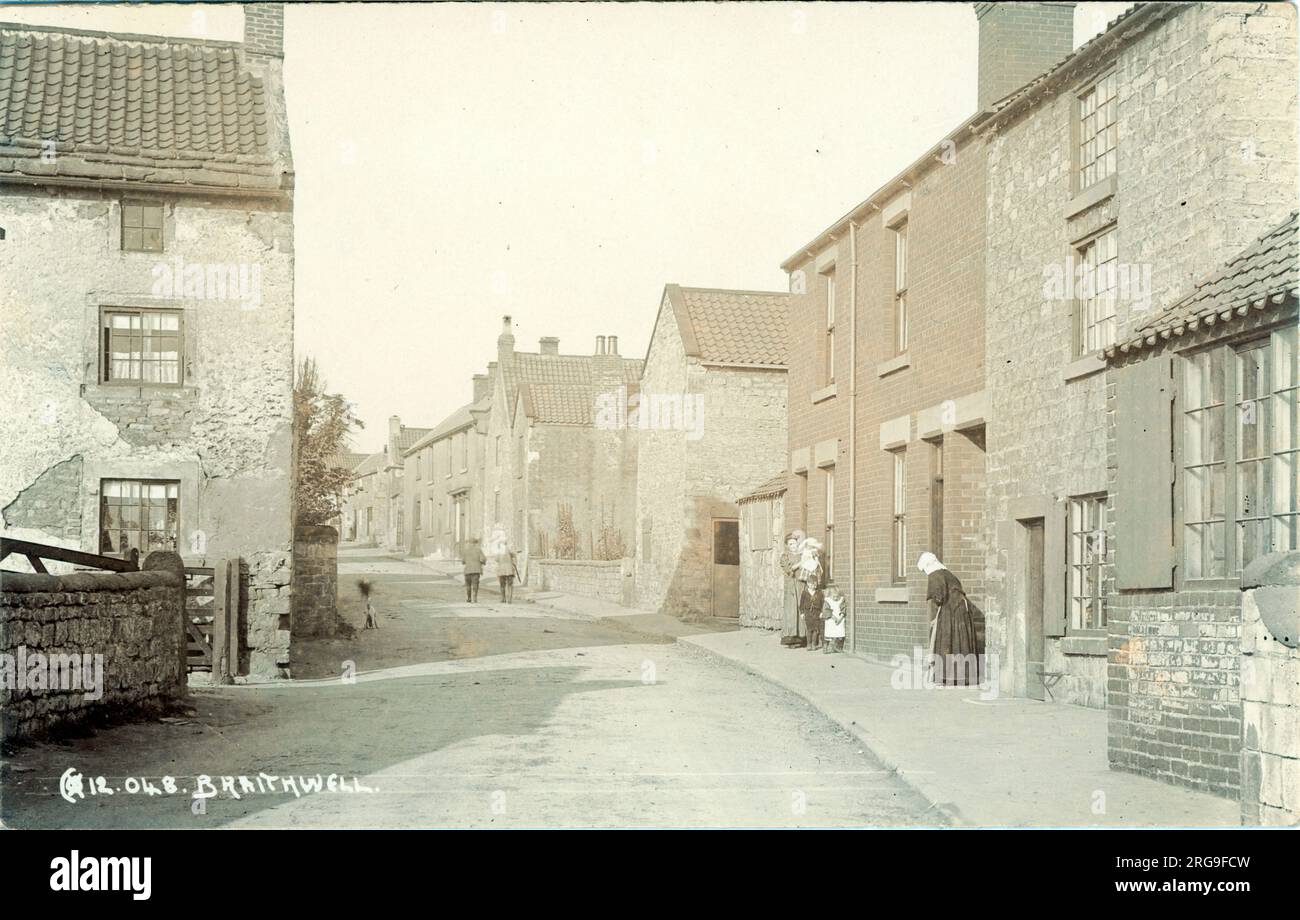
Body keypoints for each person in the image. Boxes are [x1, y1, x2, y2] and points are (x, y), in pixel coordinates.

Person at [918, 551, 981, 686]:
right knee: (961, 641)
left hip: (951, 611)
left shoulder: (935, 575)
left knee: (947, 640)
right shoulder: (947, 573)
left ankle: (947, 676)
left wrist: (935, 617)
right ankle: (965, 676)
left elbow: (938, 598)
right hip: (962, 610)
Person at [797, 537, 827, 651]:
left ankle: (814, 643)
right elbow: (804, 563)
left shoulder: (815, 557)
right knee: (809, 628)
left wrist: (815, 557)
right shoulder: (806, 555)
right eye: (810, 546)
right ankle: (810, 643)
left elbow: (818, 567)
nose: (811, 549)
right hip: (808, 610)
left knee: (815, 627)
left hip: (815, 610)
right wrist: (802, 612)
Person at [778, 530, 807, 647]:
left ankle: (802, 637)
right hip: (791, 586)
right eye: (790, 544)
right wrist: (801, 563)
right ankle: (791, 637)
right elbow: (789, 570)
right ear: (787, 546)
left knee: (801, 608)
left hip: (801, 584)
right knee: (791, 610)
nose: (792, 546)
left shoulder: (802, 555)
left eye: (794, 543)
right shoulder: (785, 557)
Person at [494, 530, 518, 604]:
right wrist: (514, 563)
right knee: (510, 585)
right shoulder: (509, 549)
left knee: (502, 585)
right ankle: (509, 600)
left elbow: (496, 560)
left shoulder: (499, 551)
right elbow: (514, 556)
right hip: (509, 570)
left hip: (501, 570)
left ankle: (503, 598)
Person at [822, 582, 846, 653]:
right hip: (831, 618)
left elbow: (843, 609)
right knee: (829, 632)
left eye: (837, 597)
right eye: (834, 597)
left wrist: (840, 618)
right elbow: (826, 610)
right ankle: (826, 646)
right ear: (830, 596)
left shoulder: (841, 600)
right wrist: (834, 618)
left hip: (839, 618)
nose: (835, 598)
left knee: (839, 632)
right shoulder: (828, 601)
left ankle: (836, 646)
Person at [462, 537, 486, 603]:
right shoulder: (479, 550)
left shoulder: (466, 550)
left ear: (469, 543)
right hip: (476, 570)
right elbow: (483, 559)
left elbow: (463, 561)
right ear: (475, 543)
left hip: (467, 570)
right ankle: (475, 597)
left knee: (468, 585)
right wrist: (482, 563)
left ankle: (469, 598)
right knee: (475, 584)